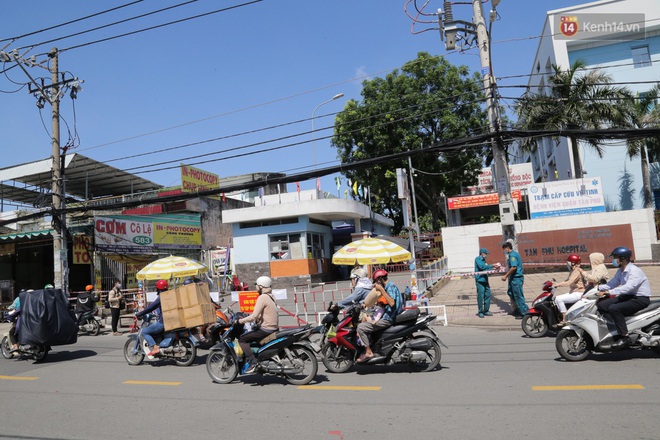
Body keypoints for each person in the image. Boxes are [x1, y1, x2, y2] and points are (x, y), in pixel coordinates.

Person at [596, 246, 651, 349]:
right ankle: (615, 330)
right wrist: (597, 288)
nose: (613, 260)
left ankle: (625, 337)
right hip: (628, 297)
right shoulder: (620, 271)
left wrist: (609, 292)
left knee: (614, 308)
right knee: (602, 305)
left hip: (640, 299)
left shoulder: (634, 271)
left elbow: (628, 288)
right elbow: (612, 283)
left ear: (623, 258)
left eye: (615, 257)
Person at [356, 269, 403, 363]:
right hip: (387, 315)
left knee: (361, 327)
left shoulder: (390, 286)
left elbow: (392, 303)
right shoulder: (387, 287)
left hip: (388, 318)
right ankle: (375, 347)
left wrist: (381, 289)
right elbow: (384, 303)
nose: (376, 284)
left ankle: (368, 352)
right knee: (367, 320)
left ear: (380, 279)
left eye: (377, 281)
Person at [237, 276, 279, 374]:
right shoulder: (271, 296)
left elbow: (254, 316)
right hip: (274, 327)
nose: (255, 287)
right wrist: (258, 320)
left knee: (242, 339)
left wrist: (240, 321)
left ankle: (253, 361)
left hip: (267, 328)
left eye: (256, 285)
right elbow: (265, 313)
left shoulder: (262, 297)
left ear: (261, 286)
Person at [134, 279, 168, 356]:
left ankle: (155, 347)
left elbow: (151, 307)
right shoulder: (169, 295)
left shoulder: (161, 298)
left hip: (162, 322)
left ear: (159, 288)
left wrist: (140, 313)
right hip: (170, 321)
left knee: (145, 332)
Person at [553, 254, 586, 326]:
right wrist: (556, 283)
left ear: (573, 263)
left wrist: (557, 285)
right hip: (574, 292)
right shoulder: (573, 271)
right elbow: (566, 280)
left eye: (569, 262)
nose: (567, 264)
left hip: (579, 293)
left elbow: (569, 282)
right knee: (556, 299)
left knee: (559, 299)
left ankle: (565, 319)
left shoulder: (576, 271)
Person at [501, 239, 528, 319]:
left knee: (518, 296)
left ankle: (524, 312)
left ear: (507, 248)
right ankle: (518, 309)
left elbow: (513, 267)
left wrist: (505, 276)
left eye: (504, 249)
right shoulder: (513, 254)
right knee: (510, 293)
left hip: (516, 278)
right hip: (513, 278)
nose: (504, 251)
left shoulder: (512, 255)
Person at [474, 248, 500, 318]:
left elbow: (486, 268)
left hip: (485, 280)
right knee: (480, 297)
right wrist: (492, 265)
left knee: (488, 295)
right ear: (482, 253)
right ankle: (480, 311)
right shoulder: (477, 259)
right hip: (480, 281)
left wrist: (495, 269)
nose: (486, 255)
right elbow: (482, 267)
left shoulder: (484, 260)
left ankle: (486, 310)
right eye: (485, 254)